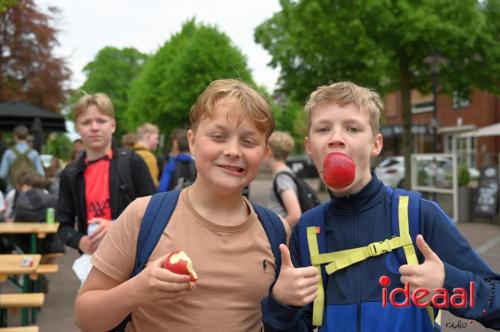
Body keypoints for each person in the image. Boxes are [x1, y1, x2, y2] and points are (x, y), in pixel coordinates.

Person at [264, 82, 500, 331]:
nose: (336, 139)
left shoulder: (418, 215)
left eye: (352, 128)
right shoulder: (307, 231)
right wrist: (282, 305)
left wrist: (446, 282)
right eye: (323, 129)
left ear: (376, 144)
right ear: (310, 147)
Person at [74, 79, 294, 331]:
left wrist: (285, 303)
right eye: (218, 136)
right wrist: (136, 290)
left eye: (248, 141)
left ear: (265, 153)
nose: (233, 151)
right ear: (192, 142)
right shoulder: (143, 215)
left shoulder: (276, 230)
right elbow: (85, 317)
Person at [56, 93, 156, 255]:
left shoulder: (132, 162)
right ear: (77, 128)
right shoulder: (70, 173)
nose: (94, 127)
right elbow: (63, 227)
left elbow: (155, 212)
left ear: (113, 125)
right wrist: (80, 241)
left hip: (133, 260)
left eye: (101, 121)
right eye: (86, 122)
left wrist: (116, 225)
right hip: (92, 263)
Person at [266, 131, 301, 228]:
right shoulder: (285, 173)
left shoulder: (282, 177)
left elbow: (295, 215)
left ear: (268, 151)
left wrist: (277, 231)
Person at [0, 125, 45, 191]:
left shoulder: (9, 153)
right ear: (27, 136)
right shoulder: (34, 153)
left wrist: (10, 180)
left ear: (15, 136)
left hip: (13, 190)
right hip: (30, 191)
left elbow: (2, 174)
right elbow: (41, 173)